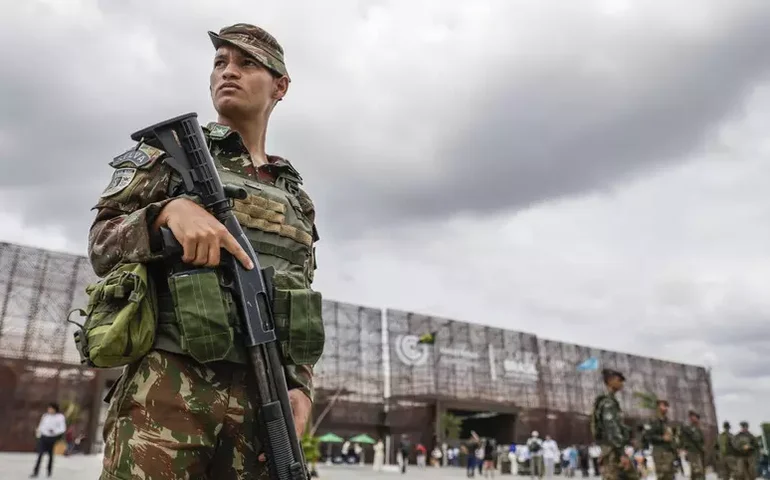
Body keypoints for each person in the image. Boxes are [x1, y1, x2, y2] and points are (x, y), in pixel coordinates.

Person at [89, 23, 324, 479]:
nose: (228, 72)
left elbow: (299, 297)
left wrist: (301, 386)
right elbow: (101, 244)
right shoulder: (164, 156)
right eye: (220, 63)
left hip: (264, 398)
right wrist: (164, 214)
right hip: (167, 388)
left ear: (281, 86)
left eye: (246, 63)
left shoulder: (296, 197)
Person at [590, 368, 633, 480]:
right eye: (619, 380)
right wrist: (622, 453)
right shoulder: (608, 403)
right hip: (612, 450)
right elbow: (612, 429)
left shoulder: (610, 401)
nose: (621, 383)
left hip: (612, 449)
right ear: (610, 381)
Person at [30, 402, 67, 478]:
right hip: (43, 436)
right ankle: (35, 471)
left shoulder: (60, 417)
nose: (49, 410)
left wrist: (54, 431)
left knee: (50, 455)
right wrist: (39, 433)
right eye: (49, 408)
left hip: (52, 438)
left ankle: (49, 471)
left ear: (55, 409)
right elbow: (41, 425)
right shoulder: (45, 416)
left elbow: (62, 428)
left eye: (51, 409)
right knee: (40, 454)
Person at [645, 399, 677, 480]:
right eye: (663, 406)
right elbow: (647, 436)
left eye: (667, 406)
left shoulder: (667, 421)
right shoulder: (653, 420)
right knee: (663, 476)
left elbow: (671, 436)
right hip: (660, 453)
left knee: (670, 476)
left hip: (669, 453)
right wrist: (662, 438)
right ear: (658, 407)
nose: (666, 408)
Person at [680, 410, 705, 480]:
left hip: (698, 452)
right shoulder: (689, 428)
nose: (696, 419)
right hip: (693, 452)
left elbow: (701, 441)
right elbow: (696, 439)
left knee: (696, 473)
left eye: (697, 417)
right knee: (698, 472)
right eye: (693, 417)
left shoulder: (697, 429)